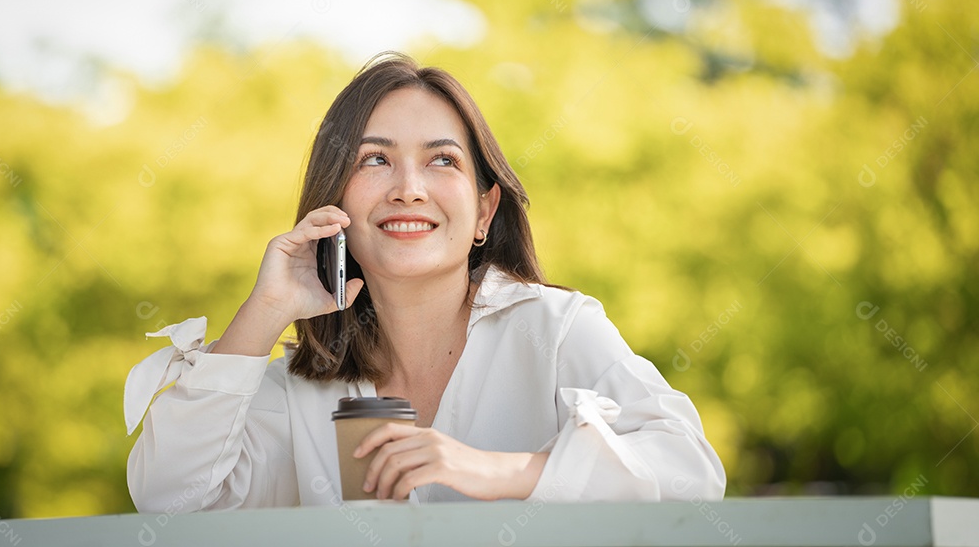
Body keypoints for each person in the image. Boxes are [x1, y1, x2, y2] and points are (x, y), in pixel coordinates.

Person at [124, 53, 726, 510]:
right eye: (374, 159)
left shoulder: (556, 330)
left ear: (485, 212)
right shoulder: (299, 390)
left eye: (442, 160)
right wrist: (264, 309)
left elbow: (690, 473)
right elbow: (171, 499)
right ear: (335, 204)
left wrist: (495, 471)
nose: (408, 187)